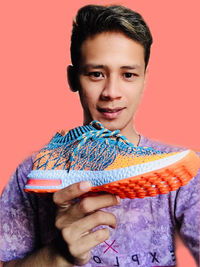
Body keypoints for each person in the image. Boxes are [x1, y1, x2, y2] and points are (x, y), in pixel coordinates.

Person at [1, 4, 199, 267]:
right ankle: (87, 150)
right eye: (96, 74)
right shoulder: (29, 174)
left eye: (128, 74)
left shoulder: (179, 169)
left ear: (144, 79)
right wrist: (58, 255)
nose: (111, 92)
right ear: (73, 79)